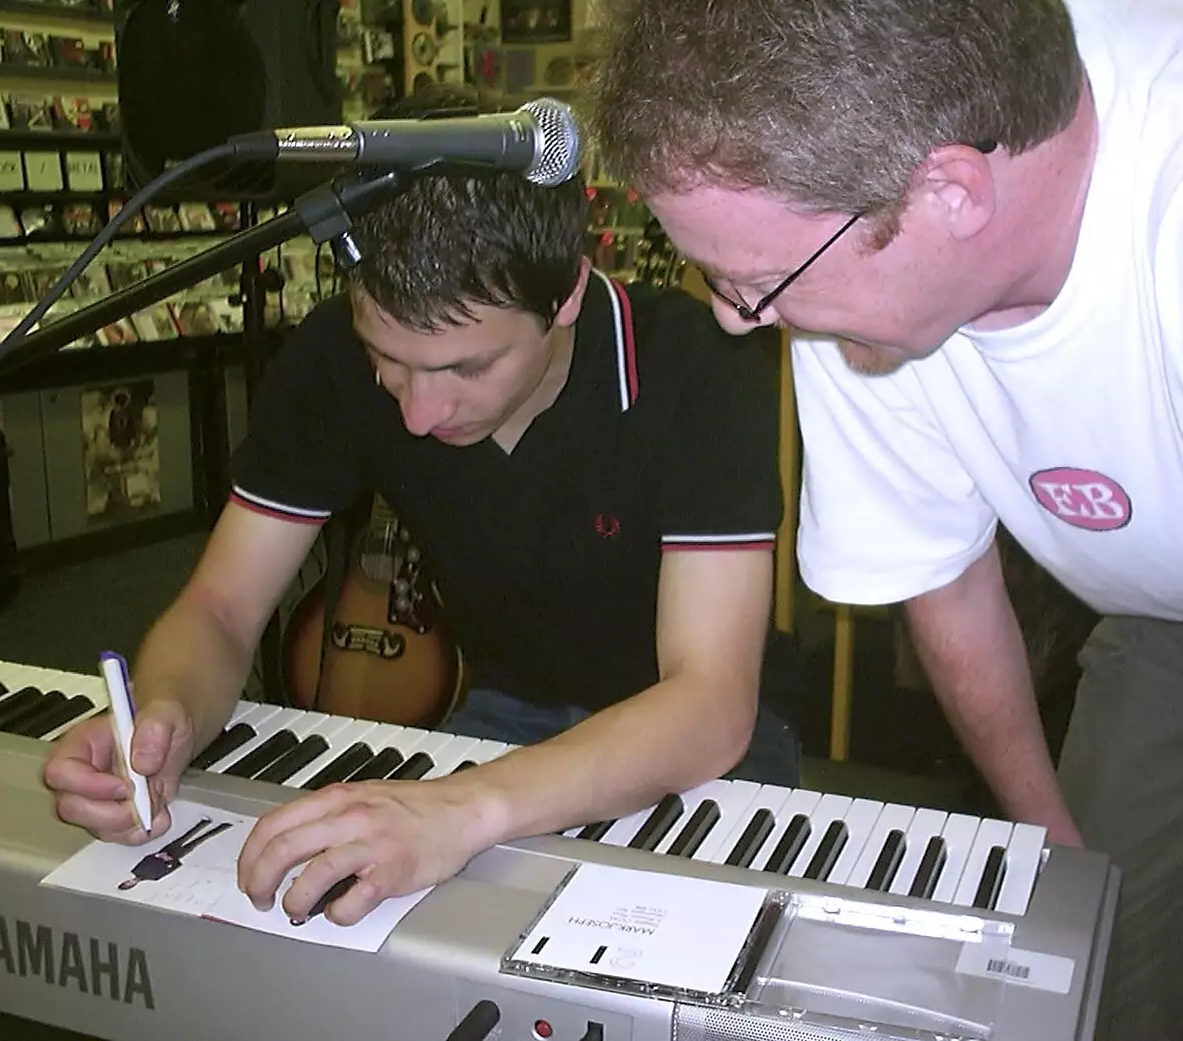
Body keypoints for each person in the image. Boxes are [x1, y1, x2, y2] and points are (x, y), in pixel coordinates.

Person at [584, 2, 1183, 1040]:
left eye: (753, 283)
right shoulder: (852, 197)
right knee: (1083, 972)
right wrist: (1053, 853)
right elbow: (940, 575)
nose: (738, 318)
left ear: (950, 191)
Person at [42, 84, 799, 930]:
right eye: (387, 360)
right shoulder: (332, 357)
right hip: (505, 714)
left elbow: (710, 701)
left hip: (703, 743)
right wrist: (168, 711)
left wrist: (462, 809)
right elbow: (221, 607)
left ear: (570, 298)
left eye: (467, 369)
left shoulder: (695, 368)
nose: (416, 414)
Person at [117, 818, 234, 890]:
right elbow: (170, 869)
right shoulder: (154, 878)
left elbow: (146, 859)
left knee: (184, 837)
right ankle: (223, 827)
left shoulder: (136, 870)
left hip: (164, 851)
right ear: (133, 886)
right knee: (199, 841)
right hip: (174, 857)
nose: (131, 882)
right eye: (130, 884)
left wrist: (158, 855)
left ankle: (204, 823)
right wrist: (170, 861)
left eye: (127, 882)